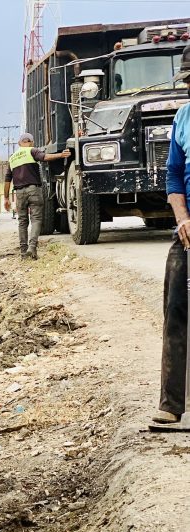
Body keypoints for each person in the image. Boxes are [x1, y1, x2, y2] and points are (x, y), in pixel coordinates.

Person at [154, 45, 190, 425]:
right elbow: (174, 174)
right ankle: (171, 404)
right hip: (188, 228)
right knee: (176, 307)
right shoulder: (183, 117)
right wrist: (182, 219)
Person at [2, 133, 70, 259]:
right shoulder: (32, 151)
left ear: (19, 143)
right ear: (32, 142)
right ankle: (32, 247)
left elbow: (7, 180)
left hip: (19, 193)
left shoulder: (12, 158)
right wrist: (61, 155)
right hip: (34, 190)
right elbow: (45, 157)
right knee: (36, 219)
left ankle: (23, 253)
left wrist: (6, 198)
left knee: (22, 222)